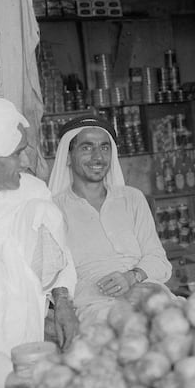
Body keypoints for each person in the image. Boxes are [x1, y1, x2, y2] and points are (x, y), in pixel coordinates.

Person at [0, 98, 78, 388]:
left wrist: (64, 302)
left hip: (16, 329)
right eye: (17, 153)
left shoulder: (32, 193)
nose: (27, 161)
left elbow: (59, 258)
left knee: (41, 212)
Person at [48, 115, 173, 327]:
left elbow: (159, 261)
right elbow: (54, 278)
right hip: (96, 309)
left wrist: (132, 277)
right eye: (87, 148)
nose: (98, 157)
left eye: (104, 148)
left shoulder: (132, 198)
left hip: (150, 293)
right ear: (68, 156)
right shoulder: (53, 209)